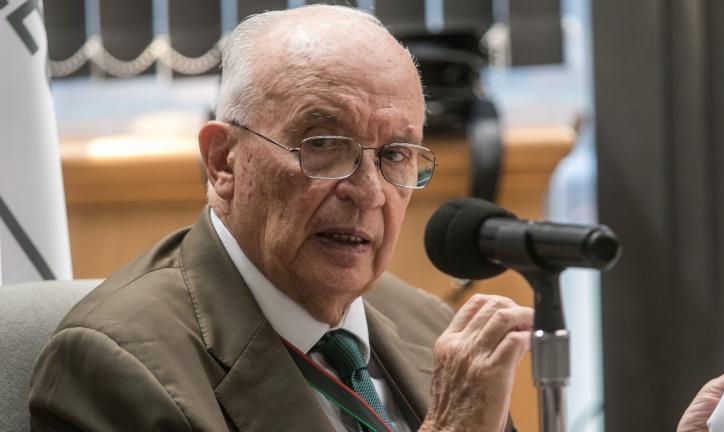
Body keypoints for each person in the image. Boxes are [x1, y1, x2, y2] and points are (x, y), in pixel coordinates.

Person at [29, 5, 533, 432]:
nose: (368, 192)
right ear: (224, 161)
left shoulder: (431, 327)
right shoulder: (114, 367)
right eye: (325, 145)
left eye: (396, 154)